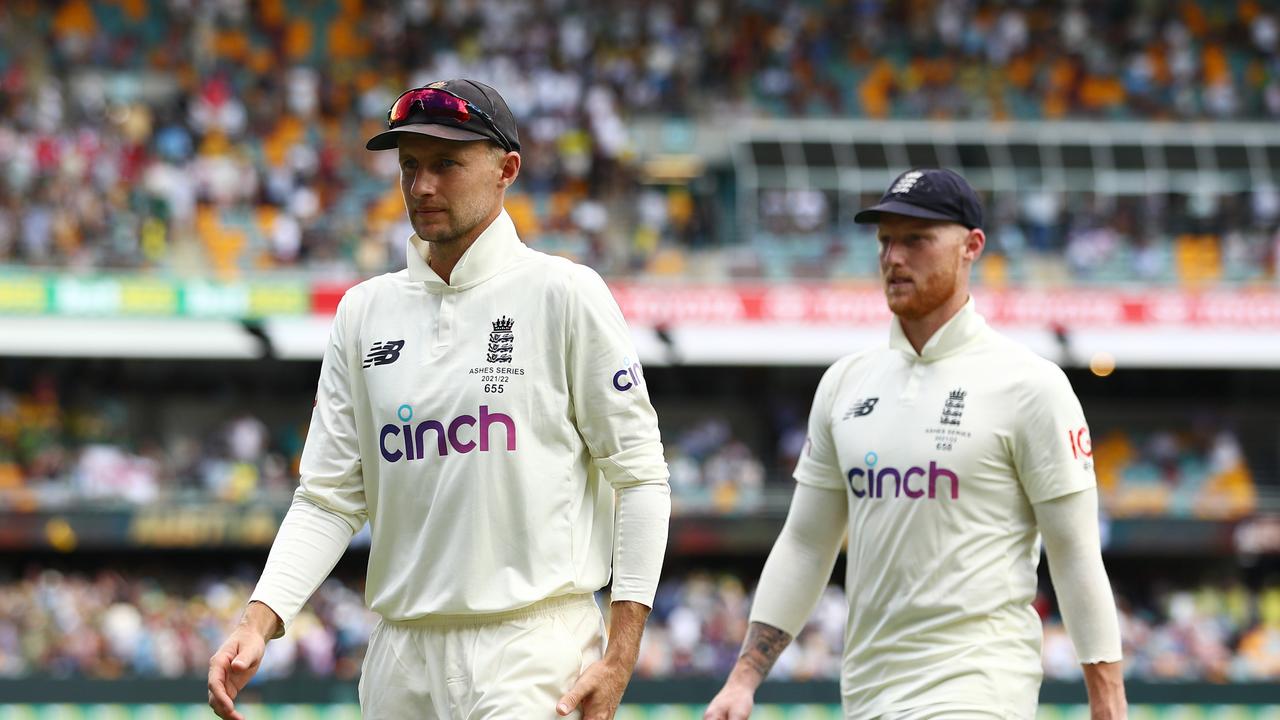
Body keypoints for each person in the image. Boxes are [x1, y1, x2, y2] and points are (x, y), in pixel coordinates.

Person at [207, 79, 671, 720]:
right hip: (400, 653)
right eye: (410, 166)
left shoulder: (565, 293)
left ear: (507, 169)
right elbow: (328, 495)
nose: (422, 186)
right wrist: (260, 620)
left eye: (447, 164)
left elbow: (642, 477)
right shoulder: (365, 311)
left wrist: (619, 658)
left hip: (533, 645)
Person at [704, 169, 1127, 720]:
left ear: (972, 246)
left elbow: (1073, 555)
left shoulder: (1030, 385)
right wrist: (742, 680)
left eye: (916, 240)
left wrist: (1109, 700)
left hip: (979, 693)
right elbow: (807, 544)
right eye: (885, 242)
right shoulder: (845, 383)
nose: (893, 258)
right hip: (867, 697)